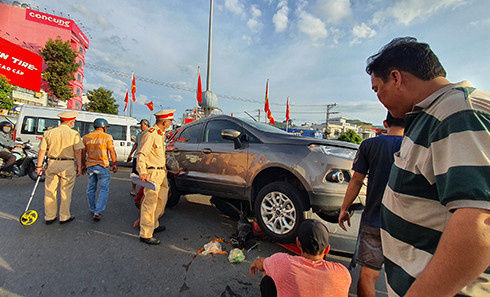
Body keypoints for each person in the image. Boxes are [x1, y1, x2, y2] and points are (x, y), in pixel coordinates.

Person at [366, 37, 490, 297]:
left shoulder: (459, 113)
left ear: (396, 78)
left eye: (377, 89)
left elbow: (480, 222)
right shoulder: (430, 116)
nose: (380, 99)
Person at [338, 112, 404, 297]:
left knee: (368, 275)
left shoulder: (370, 145)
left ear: (385, 123)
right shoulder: (414, 145)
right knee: (403, 278)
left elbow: (356, 181)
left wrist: (344, 208)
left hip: (374, 220)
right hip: (404, 224)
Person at [250, 219, 352, 297]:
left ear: (298, 243)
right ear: (327, 249)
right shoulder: (342, 273)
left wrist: (256, 262)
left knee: (268, 274)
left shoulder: (282, 262)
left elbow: (262, 264)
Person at [36, 111, 84, 225]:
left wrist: (38, 166)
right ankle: (64, 216)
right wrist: (79, 167)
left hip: (52, 163)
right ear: (71, 122)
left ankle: (49, 216)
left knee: (49, 190)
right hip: (67, 164)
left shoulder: (48, 133)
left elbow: (42, 150)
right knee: (66, 191)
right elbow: (77, 151)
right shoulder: (74, 134)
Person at [136, 109, 175, 245]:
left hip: (160, 173)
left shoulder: (160, 134)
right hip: (151, 173)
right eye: (170, 121)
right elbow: (141, 154)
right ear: (165, 122)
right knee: (150, 203)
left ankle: (154, 224)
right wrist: (142, 171)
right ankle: (145, 234)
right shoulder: (150, 134)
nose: (170, 124)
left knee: (161, 200)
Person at [81, 118, 118, 221]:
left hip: (90, 166)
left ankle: (92, 208)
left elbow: (83, 153)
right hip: (103, 166)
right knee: (103, 189)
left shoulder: (86, 137)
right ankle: (98, 211)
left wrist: (83, 165)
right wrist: (114, 164)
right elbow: (111, 151)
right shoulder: (107, 137)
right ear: (104, 127)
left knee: (91, 188)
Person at [127, 119, 150, 196]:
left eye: (142, 125)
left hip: (146, 157)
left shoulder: (150, 134)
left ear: (146, 125)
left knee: (146, 175)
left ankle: (144, 192)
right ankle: (133, 190)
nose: (141, 127)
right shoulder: (139, 134)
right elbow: (135, 145)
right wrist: (130, 154)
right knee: (135, 174)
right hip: (137, 157)